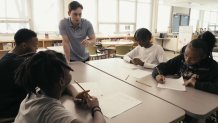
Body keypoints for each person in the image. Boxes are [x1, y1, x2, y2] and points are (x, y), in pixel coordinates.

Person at [14, 50, 105, 123]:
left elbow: (67, 86)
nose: (70, 72)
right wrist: (95, 107)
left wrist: (75, 94)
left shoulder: (36, 91)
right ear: (61, 81)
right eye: (68, 70)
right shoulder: (52, 113)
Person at [152, 38, 218, 94]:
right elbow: (160, 67)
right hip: (181, 94)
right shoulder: (181, 59)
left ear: (203, 56)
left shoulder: (212, 66)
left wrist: (196, 84)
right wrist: (157, 75)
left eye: (193, 58)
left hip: (200, 99)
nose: (187, 60)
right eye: (186, 55)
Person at [0, 28, 38, 119]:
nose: (36, 49)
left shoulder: (8, 57)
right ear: (24, 45)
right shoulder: (16, 63)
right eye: (35, 46)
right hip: (11, 111)